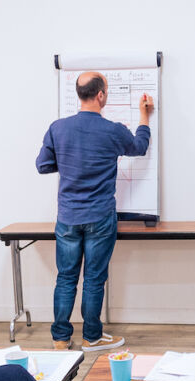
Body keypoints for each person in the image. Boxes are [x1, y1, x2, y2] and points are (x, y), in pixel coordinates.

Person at [36, 71, 155, 352]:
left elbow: (43, 165)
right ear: (101, 95)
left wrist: (69, 164)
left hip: (67, 218)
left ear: (80, 94)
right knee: (93, 278)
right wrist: (144, 116)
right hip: (100, 217)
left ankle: (60, 339)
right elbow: (139, 147)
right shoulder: (112, 130)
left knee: (65, 277)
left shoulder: (58, 128)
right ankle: (91, 337)